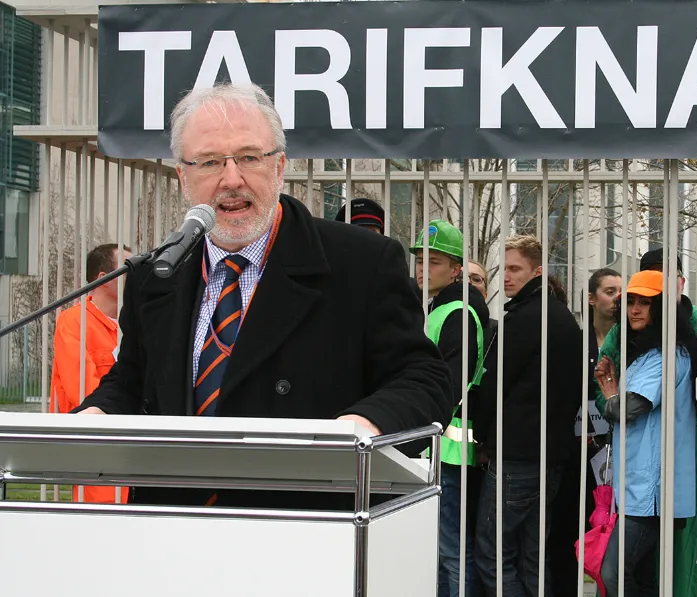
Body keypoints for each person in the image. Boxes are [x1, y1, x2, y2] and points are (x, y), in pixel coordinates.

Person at [72, 82, 452, 511]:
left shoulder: (361, 262)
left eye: (250, 157)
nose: (232, 180)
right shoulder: (156, 275)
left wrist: (358, 429)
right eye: (210, 162)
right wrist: (96, 415)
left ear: (279, 166)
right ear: (182, 176)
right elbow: (132, 382)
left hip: (306, 525)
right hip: (174, 527)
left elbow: (423, 379)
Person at [593, 249, 697, 597]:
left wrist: (610, 391)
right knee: (643, 578)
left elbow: (627, 409)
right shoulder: (650, 351)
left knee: (612, 572)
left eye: (645, 303)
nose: (635, 310)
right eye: (630, 302)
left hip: (652, 491)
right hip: (641, 487)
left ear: (662, 308)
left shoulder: (666, 354)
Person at [473, 234, 583, 597]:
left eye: (515, 269)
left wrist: (483, 437)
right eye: (503, 268)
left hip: (515, 454)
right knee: (532, 555)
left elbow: (494, 385)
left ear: (537, 272)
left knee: (492, 554)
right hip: (550, 456)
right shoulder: (562, 317)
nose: (506, 276)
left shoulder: (525, 318)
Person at [410, 219, 491, 597]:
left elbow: (450, 386)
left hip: (447, 448)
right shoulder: (440, 308)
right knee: (441, 550)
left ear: (456, 269)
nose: (423, 269)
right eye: (419, 261)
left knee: (452, 549)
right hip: (437, 446)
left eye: (434, 262)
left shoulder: (457, 311)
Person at [549, 267, 622, 596]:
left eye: (621, 292)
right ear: (591, 298)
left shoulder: (630, 344)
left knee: (613, 536)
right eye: (610, 291)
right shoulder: (575, 343)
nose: (617, 298)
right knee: (568, 530)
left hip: (617, 450)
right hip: (576, 452)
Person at [50, 242, 132, 504]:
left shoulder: (135, 323)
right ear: (104, 279)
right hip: (98, 452)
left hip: (137, 449)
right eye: (128, 270)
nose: (136, 276)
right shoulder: (74, 322)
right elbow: (84, 391)